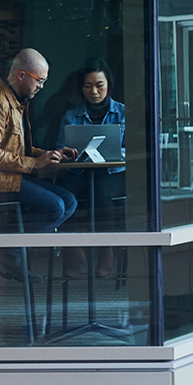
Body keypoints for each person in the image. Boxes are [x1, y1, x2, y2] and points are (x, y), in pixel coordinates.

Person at [0, 48, 79, 282]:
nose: (42, 87)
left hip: (8, 176)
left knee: (69, 201)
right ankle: (6, 250)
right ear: (22, 76)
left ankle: (3, 247)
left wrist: (50, 154)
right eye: (40, 80)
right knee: (55, 206)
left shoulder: (15, 102)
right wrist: (34, 163)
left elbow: (18, 151)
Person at [56, 58, 125, 278]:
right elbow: (59, 150)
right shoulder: (70, 116)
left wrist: (118, 153)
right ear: (81, 88)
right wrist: (66, 154)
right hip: (80, 170)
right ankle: (74, 248)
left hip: (114, 172)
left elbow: (133, 149)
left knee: (101, 192)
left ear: (109, 85)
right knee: (62, 195)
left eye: (99, 85)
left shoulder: (123, 113)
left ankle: (107, 250)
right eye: (88, 86)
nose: (94, 91)